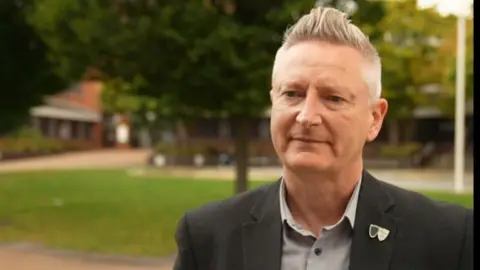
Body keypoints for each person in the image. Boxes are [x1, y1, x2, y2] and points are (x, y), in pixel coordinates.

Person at [173, 7, 473, 270]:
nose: (307, 116)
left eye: (333, 98)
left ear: (375, 118)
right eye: (292, 94)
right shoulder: (207, 237)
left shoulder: (449, 240)